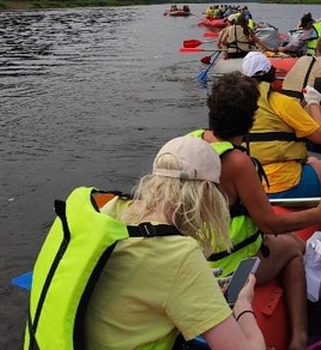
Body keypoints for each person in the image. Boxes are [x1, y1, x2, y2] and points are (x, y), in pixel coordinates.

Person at [196, 72, 321, 350]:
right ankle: (299, 337)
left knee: (289, 243)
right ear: (250, 119)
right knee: (292, 249)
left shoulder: (190, 143)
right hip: (226, 264)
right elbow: (268, 224)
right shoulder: (238, 162)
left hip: (195, 256)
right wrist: (320, 213)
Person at [80, 135, 266, 350]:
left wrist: (204, 285)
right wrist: (243, 304)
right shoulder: (178, 253)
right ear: (206, 189)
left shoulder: (112, 209)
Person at [240, 52, 321, 197]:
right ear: (270, 73)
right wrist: (313, 102)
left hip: (250, 182)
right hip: (282, 184)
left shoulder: (237, 103)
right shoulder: (282, 102)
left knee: (312, 160)